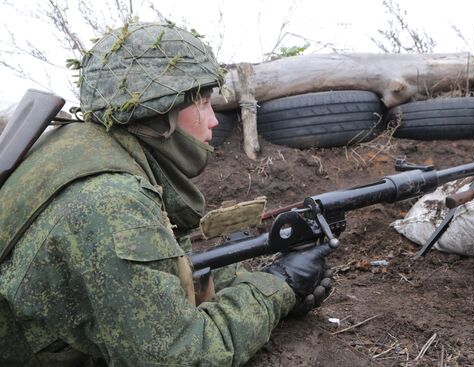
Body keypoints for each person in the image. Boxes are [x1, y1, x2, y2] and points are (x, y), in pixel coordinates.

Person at [0, 22, 332, 366]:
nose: (215, 121)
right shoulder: (110, 202)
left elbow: (167, 269)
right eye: (202, 103)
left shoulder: (86, 152)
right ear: (160, 111)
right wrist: (279, 287)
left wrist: (261, 285)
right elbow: (179, 356)